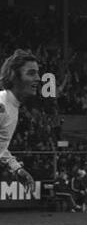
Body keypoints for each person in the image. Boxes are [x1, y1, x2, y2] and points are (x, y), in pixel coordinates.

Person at [0, 50, 41, 196]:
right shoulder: (2, 106)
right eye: (31, 73)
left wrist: (16, 167)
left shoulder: (12, 106)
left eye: (37, 73)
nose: (38, 78)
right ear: (14, 76)